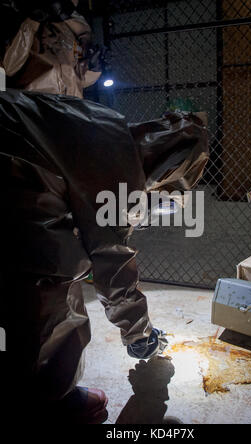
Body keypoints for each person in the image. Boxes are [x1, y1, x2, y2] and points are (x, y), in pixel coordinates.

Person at [0, 88, 209, 424]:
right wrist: (139, 334)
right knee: (52, 270)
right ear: (162, 179)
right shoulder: (120, 173)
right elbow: (112, 265)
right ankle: (48, 401)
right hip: (10, 160)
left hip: (14, 144)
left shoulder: (111, 127)